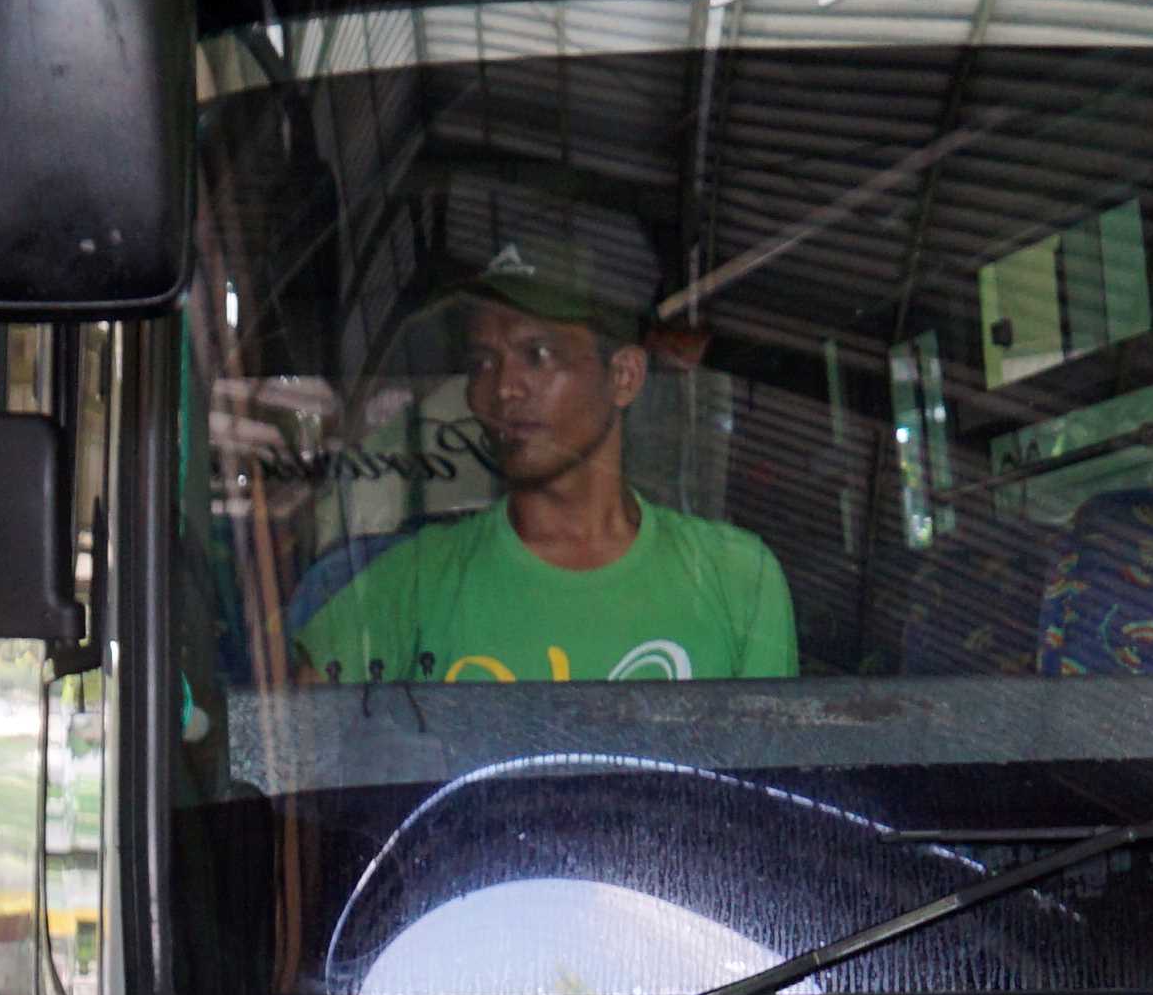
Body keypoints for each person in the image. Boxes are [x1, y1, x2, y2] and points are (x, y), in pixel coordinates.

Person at [296, 227, 797, 686]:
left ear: (624, 376)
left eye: (538, 354)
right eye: (482, 361)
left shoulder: (737, 581)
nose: (502, 388)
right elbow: (295, 749)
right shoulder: (412, 583)